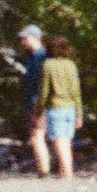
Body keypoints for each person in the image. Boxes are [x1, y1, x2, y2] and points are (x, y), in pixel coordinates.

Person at [36, 33, 82, 179]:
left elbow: (44, 91)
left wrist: (39, 110)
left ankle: (67, 174)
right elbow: (76, 91)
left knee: (59, 142)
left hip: (56, 108)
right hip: (71, 108)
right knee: (67, 142)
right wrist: (79, 114)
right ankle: (65, 172)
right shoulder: (71, 65)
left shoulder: (48, 65)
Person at [15, 25, 51, 175]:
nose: (22, 41)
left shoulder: (43, 57)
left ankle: (44, 171)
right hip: (31, 101)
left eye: (25, 38)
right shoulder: (30, 58)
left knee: (37, 135)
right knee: (36, 135)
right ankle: (43, 169)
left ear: (36, 37)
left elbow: (43, 83)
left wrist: (39, 104)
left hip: (38, 102)